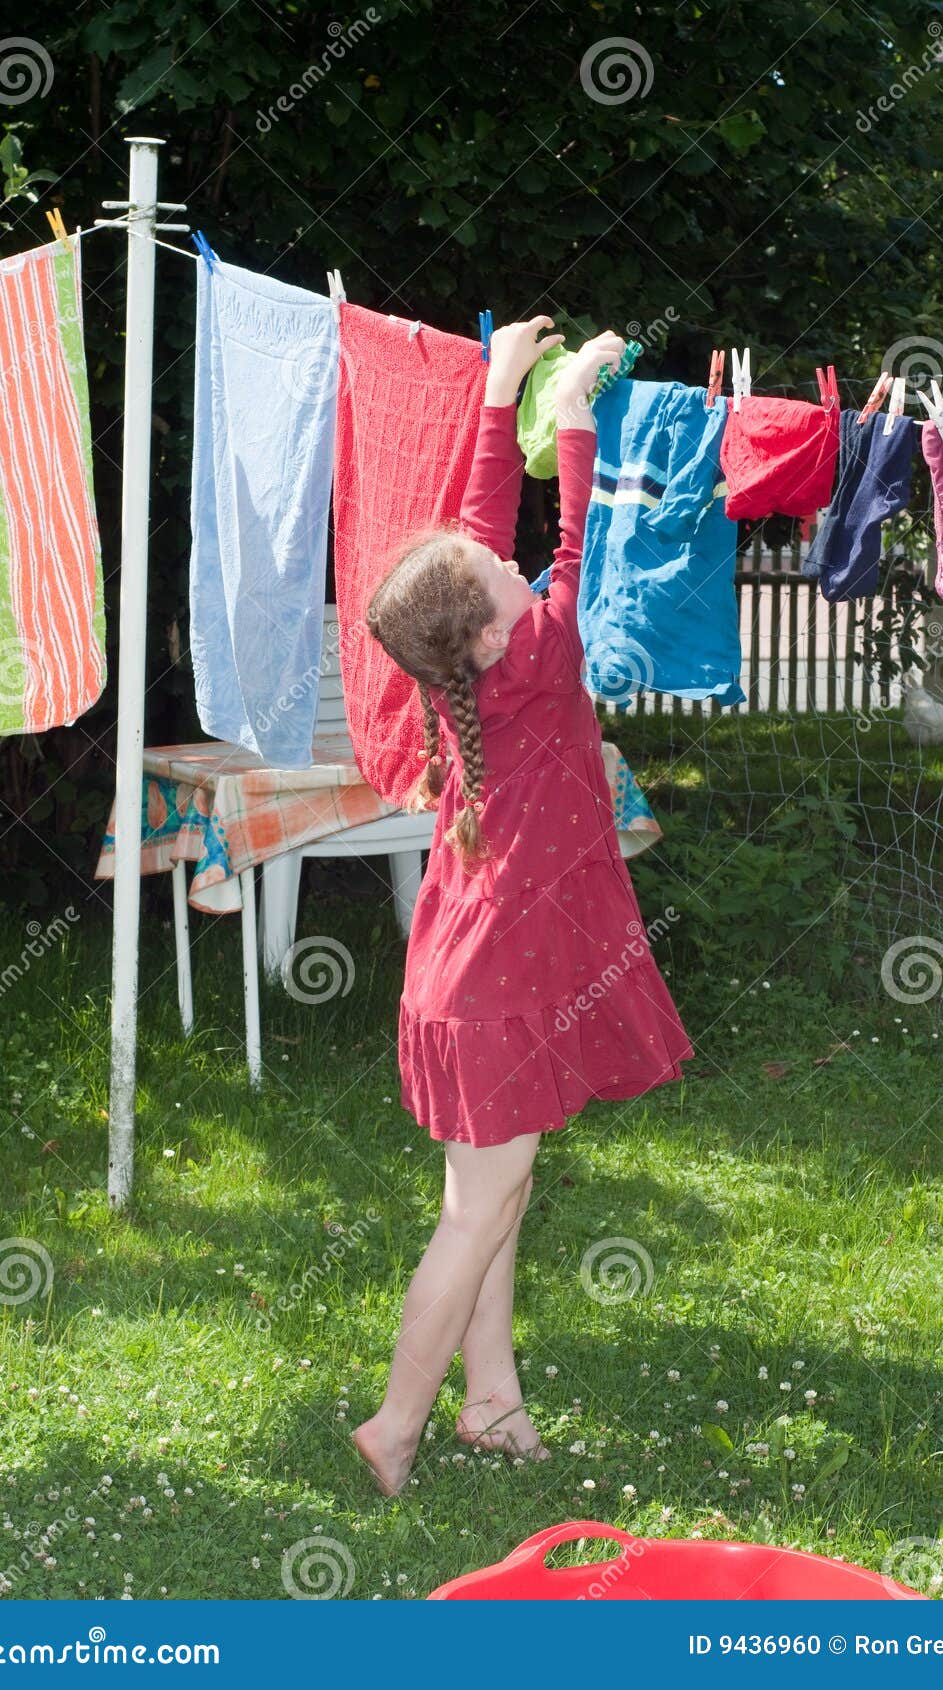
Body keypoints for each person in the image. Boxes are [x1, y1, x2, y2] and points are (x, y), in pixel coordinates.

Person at [353, 319, 693, 1495]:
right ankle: (394, 1422)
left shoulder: (468, 663)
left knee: (490, 1191)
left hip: (453, 985)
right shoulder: (541, 653)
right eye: (503, 578)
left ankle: (490, 1403)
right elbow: (577, 534)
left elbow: (486, 538)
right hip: (494, 999)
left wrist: (501, 395)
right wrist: (582, 403)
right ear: (496, 624)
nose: (511, 566)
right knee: (476, 1210)